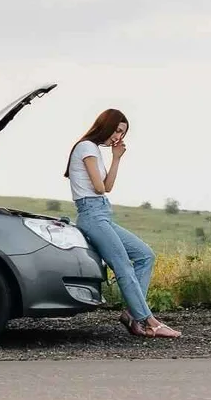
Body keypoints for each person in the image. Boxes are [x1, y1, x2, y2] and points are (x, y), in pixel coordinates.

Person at [66, 109, 180, 338]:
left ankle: (131, 314)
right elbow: (99, 188)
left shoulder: (96, 150)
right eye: (117, 130)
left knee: (145, 255)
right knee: (123, 266)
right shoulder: (86, 147)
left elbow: (107, 187)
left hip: (102, 213)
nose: (118, 136)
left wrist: (116, 158)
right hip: (91, 214)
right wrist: (105, 171)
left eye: (122, 133)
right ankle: (149, 321)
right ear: (106, 125)